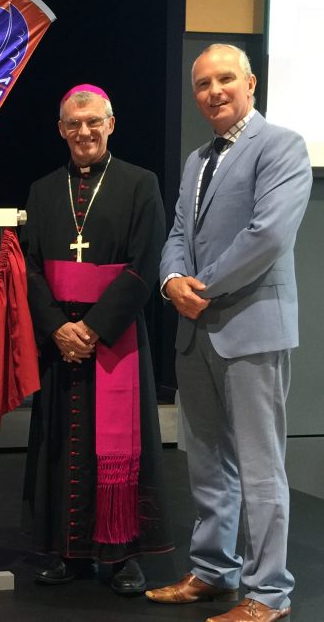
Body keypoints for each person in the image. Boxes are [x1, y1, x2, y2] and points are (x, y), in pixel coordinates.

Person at [149, 44, 311, 622]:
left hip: (250, 328)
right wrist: (171, 281)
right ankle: (216, 572)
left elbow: (267, 237)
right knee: (208, 460)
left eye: (224, 79)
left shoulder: (283, 145)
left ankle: (269, 593)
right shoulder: (196, 160)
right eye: (202, 83)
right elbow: (176, 233)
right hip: (197, 333)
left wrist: (200, 288)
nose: (213, 91)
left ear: (250, 83)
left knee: (261, 465)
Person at [21, 84, 173, 597]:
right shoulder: (43, 190)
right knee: (61, 445)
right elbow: (30, 268)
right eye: (72, 124)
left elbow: (144, 264)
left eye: (93, 122)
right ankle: (70, 552)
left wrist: (93, 328)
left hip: (117, 337)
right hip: (59, 339)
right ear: (60, 129)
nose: (83, 132)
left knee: (122, 447)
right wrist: (57, 327)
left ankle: (124, 555)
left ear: (111, 124)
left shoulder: (140, 183)